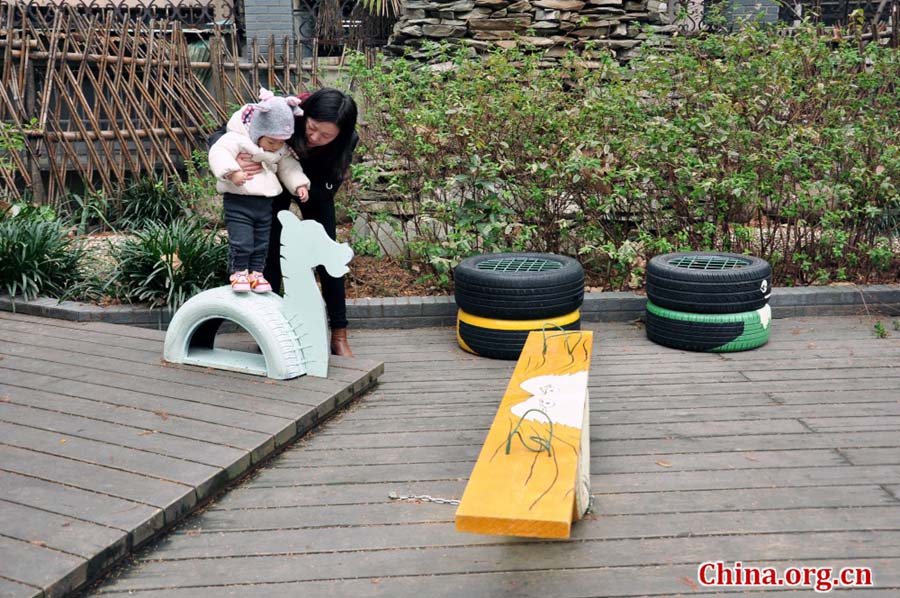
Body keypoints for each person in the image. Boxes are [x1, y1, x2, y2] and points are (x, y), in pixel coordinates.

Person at [207, 88, 359, 356]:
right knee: (269, 254)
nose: (314, 137)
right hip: (272, 184)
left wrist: (308, 188)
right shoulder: (284, 111)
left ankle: (339, 333)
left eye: (326, 136)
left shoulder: (348, 139)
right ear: (305, 115)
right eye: (311, 128)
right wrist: (238, 159)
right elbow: (220, 136)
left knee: (327, 255)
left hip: (312, 186)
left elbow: (333, 177)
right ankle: (271, 331)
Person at [208, 88, 310, 293]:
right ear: (257, 131)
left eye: (280, 142)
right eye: (271, 142)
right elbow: (219, 152)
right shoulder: (236, 139)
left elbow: (288, 166)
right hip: (239, 201)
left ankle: (256, 273)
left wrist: (299, 183)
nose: (275, 147)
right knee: (242, 240)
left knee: (261, 242)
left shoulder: (279, 148)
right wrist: (232, 172)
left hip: (264, 204)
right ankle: (239, 272)